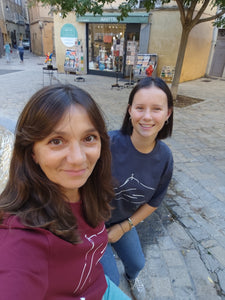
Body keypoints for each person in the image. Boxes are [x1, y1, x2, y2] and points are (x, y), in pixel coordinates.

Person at [0, 84, 131, 300]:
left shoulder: (87, 189)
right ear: (32, 151)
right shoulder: (21, 235)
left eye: (88, 138)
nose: (78, 158)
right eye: (57, 141)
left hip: (99, 286)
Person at [101, 77, 174, 300]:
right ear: (130, 110)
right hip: (92, 222)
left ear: (168, 114)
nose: (147, 116)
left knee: (137, 262)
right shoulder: (108, 144)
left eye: (156, 109)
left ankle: (132, 277)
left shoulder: (164, 158)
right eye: (140, 108)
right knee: (110, 284)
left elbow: (154, 201)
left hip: (123, 221)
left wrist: (124, 227)